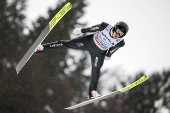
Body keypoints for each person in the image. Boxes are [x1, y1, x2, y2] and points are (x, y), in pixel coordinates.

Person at [35, 21, 129, 99]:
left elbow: (113, 49)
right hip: (88, 42)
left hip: (99, 53)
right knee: (67, 44)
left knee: (96, 71)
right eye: (117, 31)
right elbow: (93, 28)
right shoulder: (105, 27)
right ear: (114, 27)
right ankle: (42, 48)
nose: (117, 34)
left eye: (121, 34)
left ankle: (92, 92)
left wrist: (108, 55)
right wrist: (81, 30)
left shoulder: (120, 42)